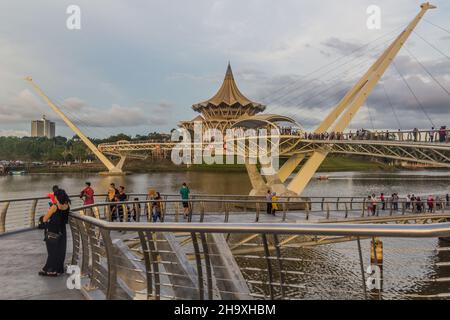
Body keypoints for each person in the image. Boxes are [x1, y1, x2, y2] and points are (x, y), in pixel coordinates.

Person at [39, 189, 71, 277]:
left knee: (52, 251)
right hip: (62, 230)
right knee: (60, 250)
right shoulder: (67, 205)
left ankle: (50, 270)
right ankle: (58, 269)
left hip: (53, 230)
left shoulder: (54, 206)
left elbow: (45, 219)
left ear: (57, 197)